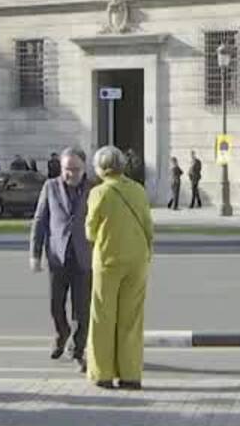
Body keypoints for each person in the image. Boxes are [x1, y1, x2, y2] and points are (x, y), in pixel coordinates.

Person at [85, 144, 154, 390]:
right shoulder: (138, 191)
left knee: (103, 316)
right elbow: (148, 225)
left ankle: (102, 373)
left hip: (108, 260)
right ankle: (130, 374)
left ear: (102, 168)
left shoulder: (99, 193)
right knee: (131, 319)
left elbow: (90, 230)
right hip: (137, 260)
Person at [31, 146, 92, 370]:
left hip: (84, 257)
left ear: (84, 168)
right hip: (57, 256)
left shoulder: (94, 188)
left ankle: (78, 350)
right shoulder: (50, 187)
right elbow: (39, 221)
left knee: (82, 309)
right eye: (67, 169)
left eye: (75, 169)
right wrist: (35, 254)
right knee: (55, 305)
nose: (70, 174)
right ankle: (62, 332)